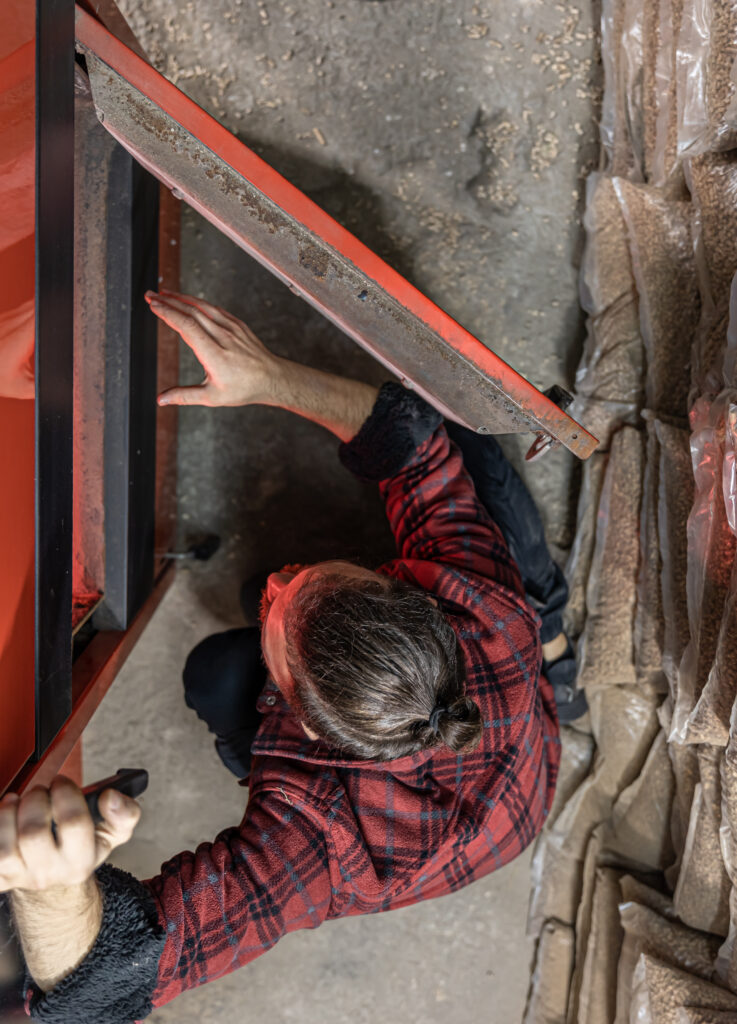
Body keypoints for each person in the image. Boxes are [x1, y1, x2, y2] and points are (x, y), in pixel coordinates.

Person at [0, 290, 583, 1023]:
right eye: (301, 584)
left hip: (493, 809)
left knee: (213, 674)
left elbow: (105, 992)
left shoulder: (319, 845)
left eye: (283, 609)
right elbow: (416, 448)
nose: (277, 582)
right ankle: (552, 656)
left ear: (306, 724)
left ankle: (554, 642)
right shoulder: (482, 607)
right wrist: (269, 378)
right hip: (517, 786)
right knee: (473, 464)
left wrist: (50, 885)